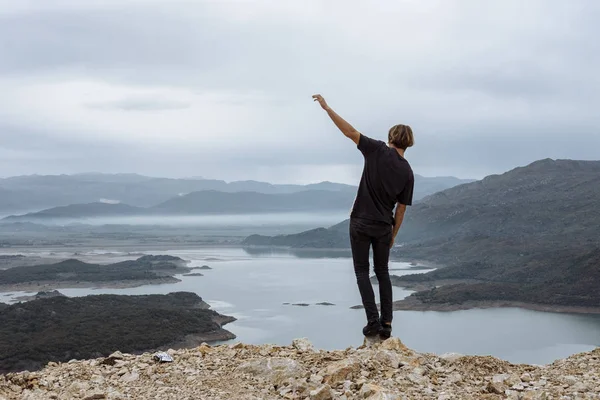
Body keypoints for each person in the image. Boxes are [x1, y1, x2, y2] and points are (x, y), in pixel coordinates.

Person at [312, 94, 415, 339]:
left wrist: (328, 108)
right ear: (409, 143)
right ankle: (387, 323)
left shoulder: (377, 149)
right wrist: (393, 235)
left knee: (361, 272)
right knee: (383, 272)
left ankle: (372, 322)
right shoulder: (408, 172)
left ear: (390, 138)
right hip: (383, 227)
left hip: (360, 221)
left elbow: (350, 132)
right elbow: (401, 209)